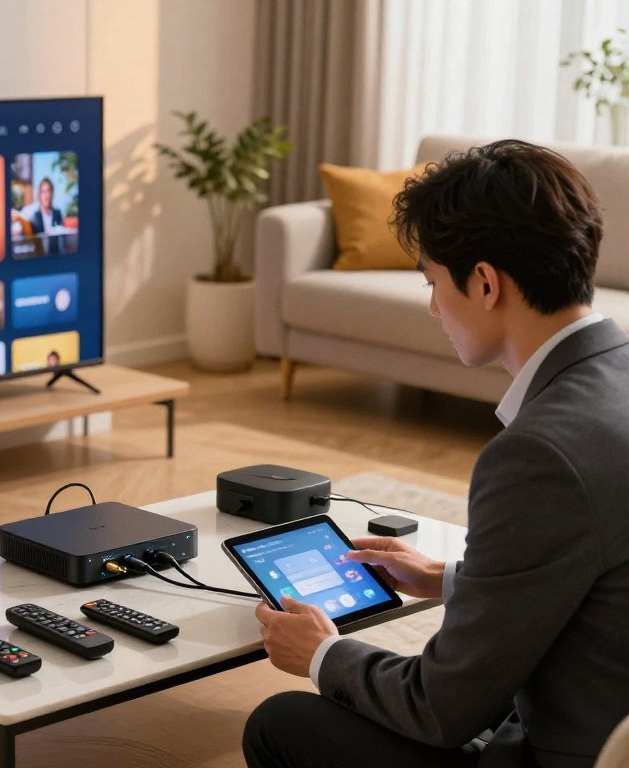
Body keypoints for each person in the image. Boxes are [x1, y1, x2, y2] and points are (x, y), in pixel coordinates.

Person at [243, 140, 629, 768]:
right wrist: (451, 579)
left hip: (577, 751)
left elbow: (441, 709)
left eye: (431, 281)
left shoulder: (537, 455)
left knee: (281, 722)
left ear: (483, 283)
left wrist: (321, 653)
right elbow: (599, 571)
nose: (431, 306)